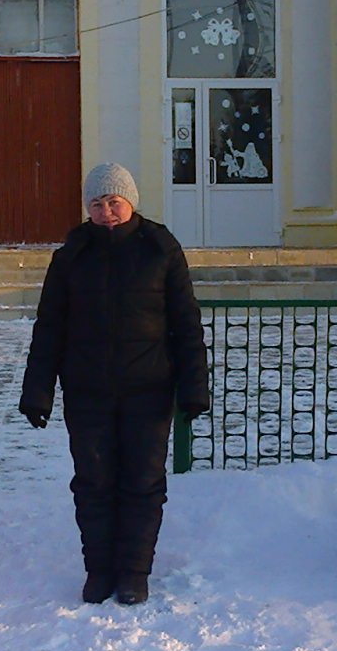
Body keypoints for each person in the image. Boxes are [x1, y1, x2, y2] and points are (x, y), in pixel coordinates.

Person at [19, 163, 210, 606]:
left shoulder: (159, 248)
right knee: (93, 482)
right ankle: (99, 570)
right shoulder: (72, 255)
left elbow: (186, 324)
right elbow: (49, 328)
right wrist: (37, 391)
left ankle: (134, 573)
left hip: (149, 389)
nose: (107, 212)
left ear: (131, 202)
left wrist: (193, 387)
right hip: (87, 392)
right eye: (98, 205)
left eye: (114, 203)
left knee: (142, 482)